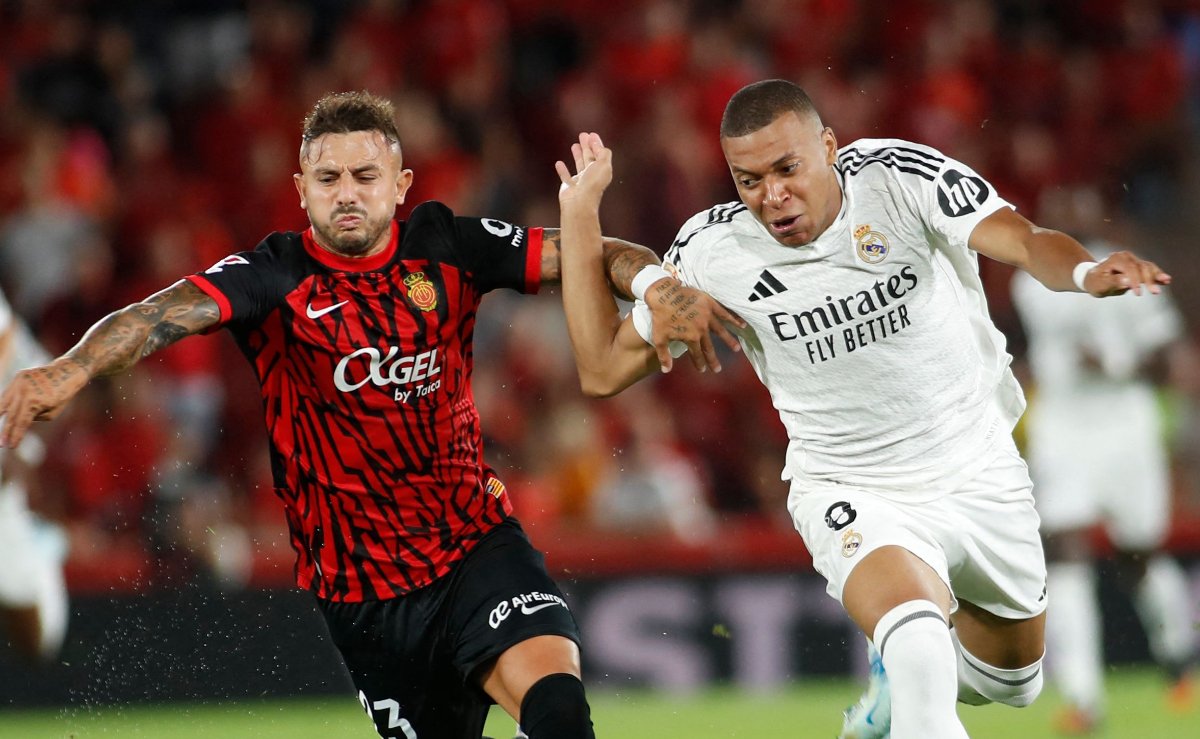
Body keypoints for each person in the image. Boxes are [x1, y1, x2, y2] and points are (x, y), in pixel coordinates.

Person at [0, 90, 734, 739]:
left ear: (400, 184)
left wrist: (656, 282)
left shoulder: (447, 246)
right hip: (365, 599)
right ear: (301, 189)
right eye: (328, 179)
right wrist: (68, 369)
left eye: (364, 176)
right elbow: (158, 314)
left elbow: (592, 251)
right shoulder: (275, 275)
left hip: (476, 547)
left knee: (562, 715)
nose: (346, 193)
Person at [552, 79, 1171, 739]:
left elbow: (1022, 239)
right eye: (749, 179)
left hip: (978, 464)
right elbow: (601, 367)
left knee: (1013, 682)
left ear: (828, 147)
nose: (772, 196)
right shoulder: (715, 253)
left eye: (787, 169)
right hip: (850, 484)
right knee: (922, 660)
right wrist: (591, 220)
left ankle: (892, 689)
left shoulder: (902, 180)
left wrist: (1083, 274)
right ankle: (906, 673)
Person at [1011, 195, 1198, 733]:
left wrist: (1114, 361)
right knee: (1065, 551)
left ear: (1097, 216)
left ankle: (1176, 650)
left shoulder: (1136, 275)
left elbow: (1166, 363)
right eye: (1059, 210)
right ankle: (1083, 699)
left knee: (1137, 554)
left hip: (1127, 430)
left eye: (1078, 207)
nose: (1069, 217)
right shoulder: (1035, 282)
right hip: (1065, 431)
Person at [0, 287, 69, 664]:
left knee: (38, 642)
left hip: (23, 405)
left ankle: (41, 546)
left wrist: (21, 449)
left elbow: (4, 332)